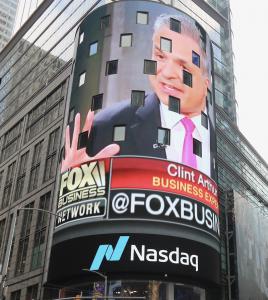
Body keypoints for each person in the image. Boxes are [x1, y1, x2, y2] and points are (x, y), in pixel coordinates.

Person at [61, 13, 216, 179]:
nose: (167, 73)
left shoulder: (216, 146)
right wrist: (74, 177)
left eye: (184, 67)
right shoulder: (105, 125)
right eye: (160, 56)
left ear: (206, 83)